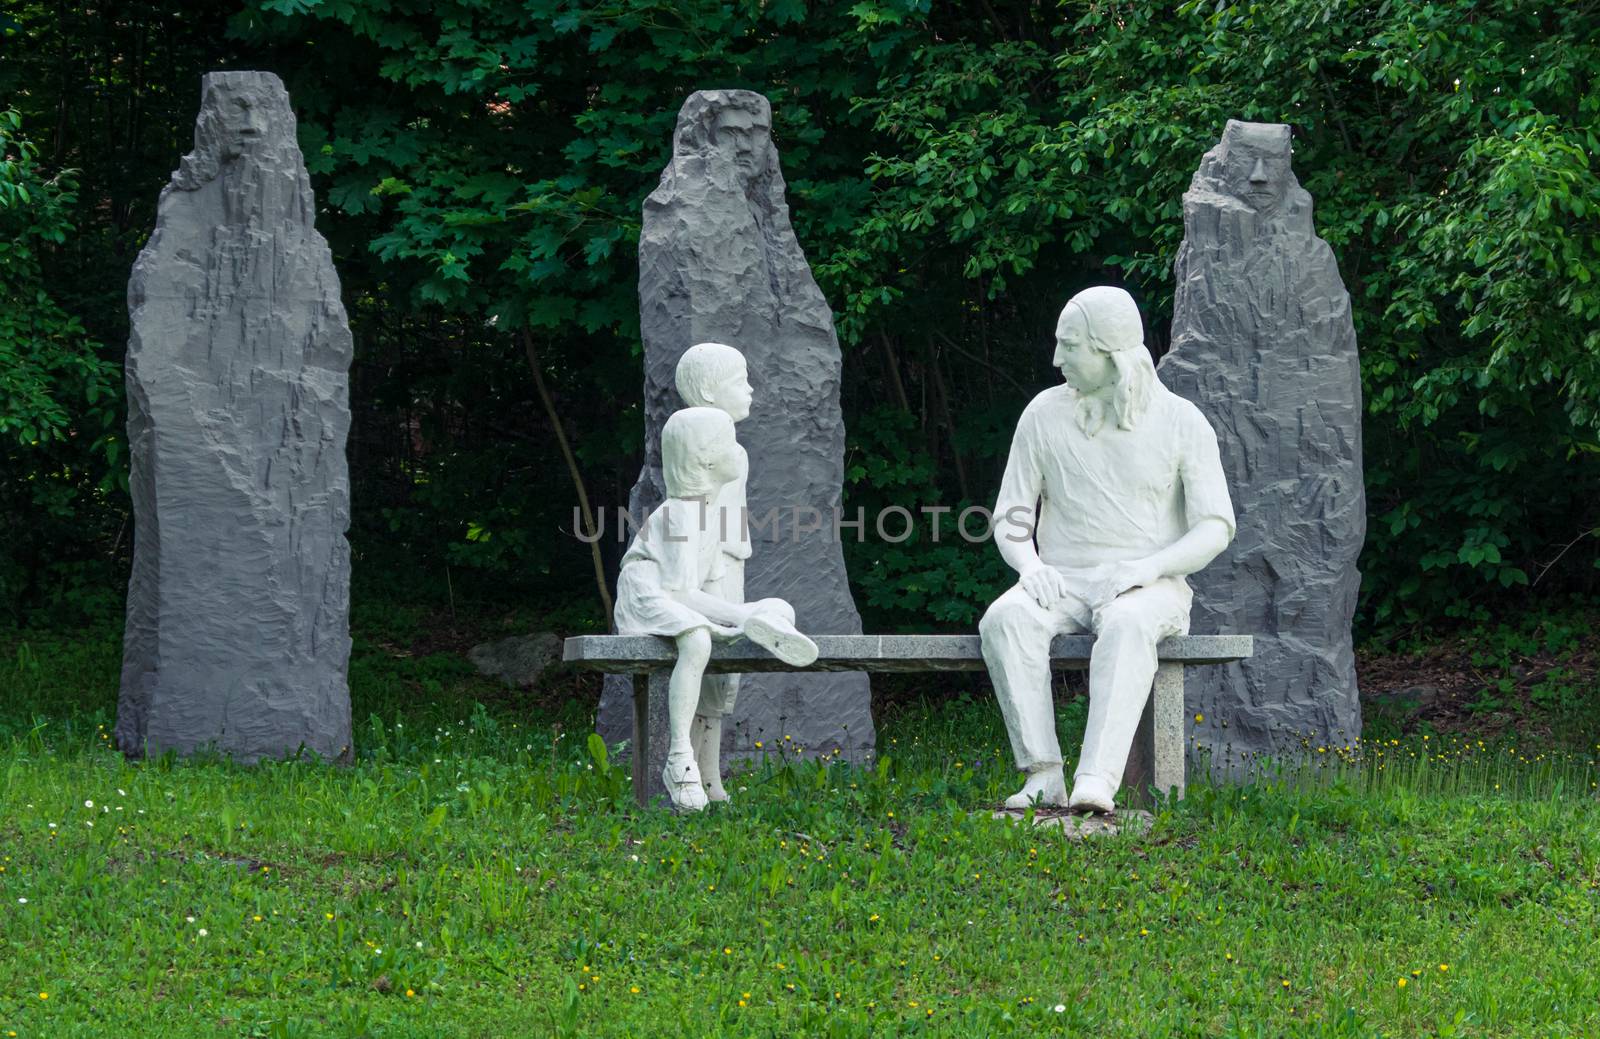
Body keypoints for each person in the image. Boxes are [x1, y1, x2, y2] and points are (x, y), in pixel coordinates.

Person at [980, 286, 1235, 813]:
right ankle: (1043, 774)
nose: (1057, 359)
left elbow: (1214, 526)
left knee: (1126, 624)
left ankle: (1097, 779)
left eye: (1070, 347)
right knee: (1004, 619)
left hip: (1151, 585)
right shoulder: (1043, 415)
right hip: (1062, 579)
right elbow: (1010, 516)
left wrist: (1150, 568)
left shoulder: (1182, 422)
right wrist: (1028, 565)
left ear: (1110, 353)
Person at [614, 407, 815, 810]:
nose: (737, 451)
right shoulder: (679, 515)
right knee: (698, 639)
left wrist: (744, 610)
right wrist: (738, 616)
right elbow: (680, 593)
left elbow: (697, 590)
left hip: (676, 594)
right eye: (728, 443)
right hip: (645, 594)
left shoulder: (706, 515)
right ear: (705, 459)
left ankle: (767, 621)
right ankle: (679, 758)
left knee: (777, 604)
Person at [673, 342, 754, 801]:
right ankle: (695, 771)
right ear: (709, 391)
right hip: (708, 565)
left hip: (727, 559)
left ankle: (709, 774)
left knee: (723, 675)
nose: (749, 390)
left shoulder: (730, 447)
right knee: (711, 665)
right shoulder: (708, 444)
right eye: (739, 381)